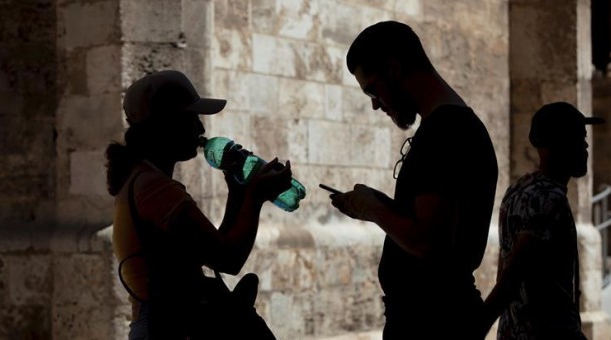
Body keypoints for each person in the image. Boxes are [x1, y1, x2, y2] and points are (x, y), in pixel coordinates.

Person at [327, 21, 499, 339]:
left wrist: (374, 210)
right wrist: (378, 202)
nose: (375, 104)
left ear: (393, 69)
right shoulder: (448, 127)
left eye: (373, 89)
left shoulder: (446, 133)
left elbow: (427, 241)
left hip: (433, 324)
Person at [106, 70, 291, 339]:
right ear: (166, 126)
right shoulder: (154, 189)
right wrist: (256, 196)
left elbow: (215, 247)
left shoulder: (142, 181)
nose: (201, 129)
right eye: (192, 119)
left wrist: (238, 194)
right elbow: (229, 259)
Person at [484, 102, 605, 339]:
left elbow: (504, 266)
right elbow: (511, 278)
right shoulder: (550, 201)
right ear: (556, 145)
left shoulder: (518, 189)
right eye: (578, 138)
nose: (586, 146)